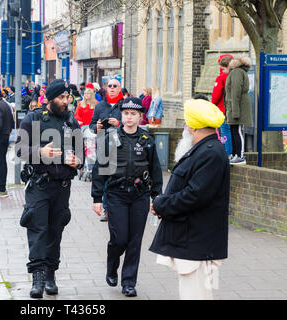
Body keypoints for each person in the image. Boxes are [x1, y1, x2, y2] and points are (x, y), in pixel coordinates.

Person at [149, 98, 229, 300]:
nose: (185, 127)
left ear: (193, 127)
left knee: (195, 295)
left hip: (197, 240)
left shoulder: (210, 153)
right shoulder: (204, 150)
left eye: (186, 122)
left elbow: (195, 196)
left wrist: (161, 204)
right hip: (191, 239)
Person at [15, 79, 84, 299]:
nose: (66, 102)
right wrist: (40, 152)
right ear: (50, 99)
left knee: (55, 230)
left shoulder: (72, 122)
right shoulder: (33, 118)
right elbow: (19, 150)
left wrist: (77, 161)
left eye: (68, 98)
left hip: (62, 187)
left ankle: (51, 274)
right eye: (61, 98)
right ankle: (37, 277)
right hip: (39, 185)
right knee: (38, 230)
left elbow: (81, 153)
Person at [92, 97, 163, 297]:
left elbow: (155, 170)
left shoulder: (147, 140)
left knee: (135, 240)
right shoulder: (111, 137)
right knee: (119, 238)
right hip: (116, 194)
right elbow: (100, 169)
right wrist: (97, 197)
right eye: (126, 113)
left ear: (140, 117)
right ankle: (112, 265)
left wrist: (157, 198)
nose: (129, 117)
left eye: (133, 114)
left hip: (140, 195)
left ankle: (129, 282)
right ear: (121, 115)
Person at [89, 78, 124, 222]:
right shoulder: (100, 106)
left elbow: (133, 123)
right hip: (103, 144)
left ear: (120, 88)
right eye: (109, 86)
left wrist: (119, 124)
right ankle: (106, 209)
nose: (112, 88)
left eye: (115, 86)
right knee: (104, 176)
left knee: (117, 176)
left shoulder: (125, 105)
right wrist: (96, 127)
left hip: (121, 145)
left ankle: (118, 207)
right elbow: (91, 126)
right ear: (106, 88)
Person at [224, 56, 252, 165]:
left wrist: (235, 111)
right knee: (234, 130)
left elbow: (235, 92)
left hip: (238, 106)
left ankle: (240, 156)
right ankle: (236, 155)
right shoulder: (237, 72)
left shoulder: (236, 72)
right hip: (235, 106)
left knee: (237, 131)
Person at [212, 55, 234, 158]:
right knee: (232, 131)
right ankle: (232, 152)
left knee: (225, 131)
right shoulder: (233, 76)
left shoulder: (221, 78)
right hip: (232, 109)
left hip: (222, 109)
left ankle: (227, 153)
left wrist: (212, 105)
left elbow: (216, 96)